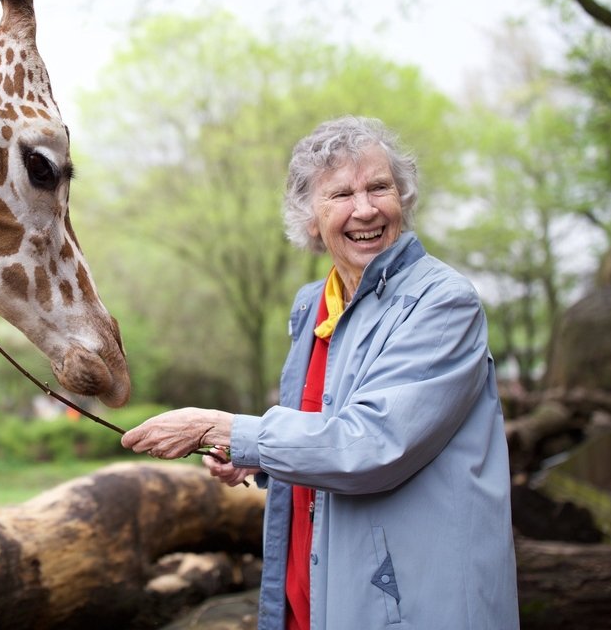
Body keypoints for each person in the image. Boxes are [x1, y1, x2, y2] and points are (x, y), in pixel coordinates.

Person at [122, 116, 519, 630]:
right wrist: (258, 462)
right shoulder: (314, 306)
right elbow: (321, 429)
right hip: (309, 592)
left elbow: (370, 444)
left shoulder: (442, 303)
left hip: (407, 605)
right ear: (310, 217)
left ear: (403, 198)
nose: (365, 209)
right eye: (342, 194)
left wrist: (221, 429)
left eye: (379, 187)